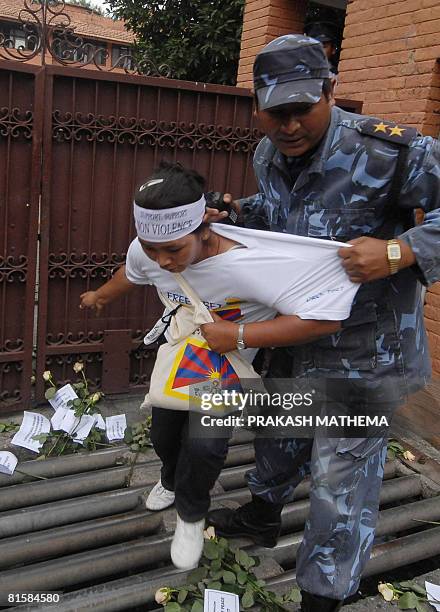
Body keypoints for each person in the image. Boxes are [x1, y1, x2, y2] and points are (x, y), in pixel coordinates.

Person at [204, 34, 440, 611]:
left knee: (340, 484)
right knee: (278, 439)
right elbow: (284, 216)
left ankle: (322, 596)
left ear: (330, 92)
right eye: (274, 113)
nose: (288, 126)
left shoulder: (394, 153)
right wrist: (237, 215)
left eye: (301, 109)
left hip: (365, 353)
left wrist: (397, 253)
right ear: (256, 107)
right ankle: (262, 516)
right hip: (292, 336)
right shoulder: (269, 155)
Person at [80, 161, 359, 571]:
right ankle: (172, 479)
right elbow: (132, 272)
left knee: (205, 444)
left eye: (174, 250)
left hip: (226, 363)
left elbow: (324, 319)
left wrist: (240, 336)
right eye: (151, 248)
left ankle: (191, 517)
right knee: (163, 433)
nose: (163, 262)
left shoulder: (250, 265)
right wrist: (102, 297)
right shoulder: (149, 252)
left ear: (204, 230)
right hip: (183, 355)